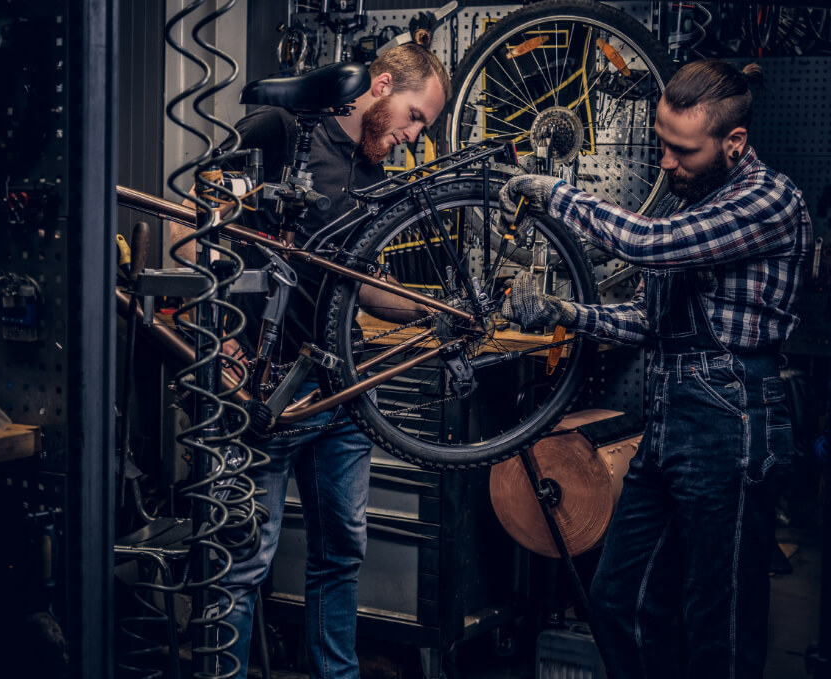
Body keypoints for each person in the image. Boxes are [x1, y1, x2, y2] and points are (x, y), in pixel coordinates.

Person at [498, 59, 813, 679]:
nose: (665, 163)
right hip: (673, 421)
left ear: (734, 143)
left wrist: (554, 192)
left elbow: (647, 246)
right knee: (620, 602)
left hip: (732, 426)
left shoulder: (767, 201)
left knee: (716, 627)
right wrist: (567, 311)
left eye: (681, 150)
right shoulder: (692, 201)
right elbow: (647, 321)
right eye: (661, 144)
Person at [170, 44, 450, 679]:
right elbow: (189, 229)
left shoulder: (377, 183)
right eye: (414, 118)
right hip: (265, 393)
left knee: (341, 556)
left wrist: (431, 311)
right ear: (380, 86)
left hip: (339, 395)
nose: (410, 138)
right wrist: (217, 340)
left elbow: (365, 287)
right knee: (243, 564)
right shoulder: (281, 136)